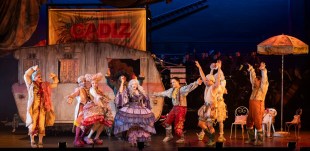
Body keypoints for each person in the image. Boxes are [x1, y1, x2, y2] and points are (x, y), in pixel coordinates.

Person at [153, 77, 202, 143]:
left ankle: (182, 138)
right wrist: (156, 94)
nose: (172, 83)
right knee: (167, 122)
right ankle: (169, 136)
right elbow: (164, 93)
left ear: (178, 82)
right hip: (174, 108)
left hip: (181, 108)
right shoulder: (172, 90)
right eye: (172, 82)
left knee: (178, 125)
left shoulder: (182, 89)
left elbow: (189, 87)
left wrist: (196, 82)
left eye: (174, 82)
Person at [24, 65, 59, 148]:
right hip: (33, 108)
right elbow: (26, 75)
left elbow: (54, 85)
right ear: (34, 77)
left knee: (41, 125)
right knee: (32, 125)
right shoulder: (30, 84)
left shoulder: (45, 85)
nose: (40, 77)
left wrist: (55, 77)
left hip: (42, 109)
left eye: (41, 76)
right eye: (38, 76)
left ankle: (40, 142)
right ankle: (32, 141)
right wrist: (32, 69)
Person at [114, 79, 156, 147]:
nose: (134, 85)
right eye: (133, 84)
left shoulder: (140, 91)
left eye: (136, 84)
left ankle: (142, 139)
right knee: (133, 125)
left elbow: (145, 99)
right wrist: (122, 83)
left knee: (142, 125)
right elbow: (121, 93)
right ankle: (133, 140)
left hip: (140, 109)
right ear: (130, 85)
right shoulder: (128, 91)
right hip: (131, 109)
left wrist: (144, 104)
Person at [195, 60, 222, 146]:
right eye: (206, 80)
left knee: (210, 126)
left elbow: (217, 80)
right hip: (205, 107)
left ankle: (212, 139)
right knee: (200, 123)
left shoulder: (214, 87)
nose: (206, 81)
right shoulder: (207, 86)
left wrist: (219, 68)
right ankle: (210, 137)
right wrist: (199, 67)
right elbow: (202, 76)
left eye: (208, 80)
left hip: (211, 108)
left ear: (211, 81)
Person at [82, 73, 113, 145]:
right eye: (93, 83)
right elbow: (95, 95)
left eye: (95, 83)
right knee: (97, 123)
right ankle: (88, 137)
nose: (94, 84)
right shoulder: (92, 90)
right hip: (96, 107)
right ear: (91, 83)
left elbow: (105, 97)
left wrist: (106, 99)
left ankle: (96, 137)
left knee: (102, 124)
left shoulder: (99, 89)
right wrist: (99, 97)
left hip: (103, 108)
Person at [245, 62, 269, 146]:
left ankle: (260, 140)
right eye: (254, 81)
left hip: (258, 108)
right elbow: (252, 78)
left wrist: (263, 70)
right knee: (248, 122)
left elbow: (264, 80)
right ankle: (251, 139)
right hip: (252, 108)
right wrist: (251, 69)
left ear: (260, 81)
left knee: (258, 123)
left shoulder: (263, 89)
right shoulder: (254, 88)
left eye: (256, 81)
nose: (254, 82)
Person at [66, 75, 92, 147]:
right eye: (81, 82)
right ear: (79, 83)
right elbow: (74, 94)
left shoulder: (88, 89)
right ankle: (76, 139)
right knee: (79, 123)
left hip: (88, 108)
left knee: (88, 124)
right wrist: (70, 97)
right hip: (81, 107)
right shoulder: (79, 89)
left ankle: (81, 137)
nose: (83, 83)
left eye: (84, 81)